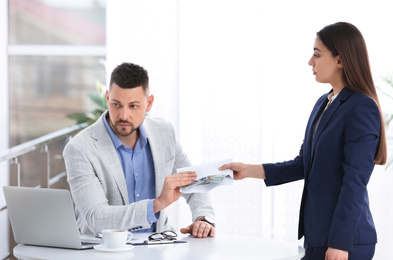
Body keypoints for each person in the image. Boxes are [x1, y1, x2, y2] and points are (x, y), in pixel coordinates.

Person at [220, 22, 387, 260]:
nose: (311, 62)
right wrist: (248, 170)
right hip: (318, 235)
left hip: (345, 242)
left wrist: (340, 244)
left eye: (317, 55)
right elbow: (303, 164)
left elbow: (354, 183)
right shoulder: (324, 102)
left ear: (340, 60)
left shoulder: (361, 107)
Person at [63, 62, 215, 238]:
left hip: (158, 244)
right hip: (104, 249)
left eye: (133, 106)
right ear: (107, 98)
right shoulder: (79, 148)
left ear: (149, 103)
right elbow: (96, 218)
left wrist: (204, 217)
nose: (123, 115)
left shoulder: (164, 132)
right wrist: (156, 205)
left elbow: (192, 179)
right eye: (116, 104)